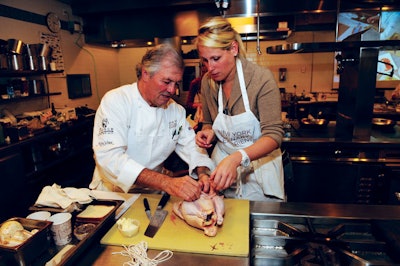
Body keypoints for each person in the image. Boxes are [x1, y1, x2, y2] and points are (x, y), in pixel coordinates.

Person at [90, 44, 215, 202]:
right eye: (167, 81)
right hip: (113, 194)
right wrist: (167, 182)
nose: (172, 90)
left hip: (152, 194)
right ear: (146, 74)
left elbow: (192, 146)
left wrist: (203, 172)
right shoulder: (117, 101)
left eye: (176, 83)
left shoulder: (175, 111)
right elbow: (110, 159)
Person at [195, 17, 285, 201]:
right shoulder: (208, 83)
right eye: (205, 61)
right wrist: (208, 132)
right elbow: (208, 122)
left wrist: (238, 157)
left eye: (215, 58)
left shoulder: (261, 79)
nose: (210, 68)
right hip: (222, 169)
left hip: (258, 169)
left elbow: (274, 135)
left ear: (233, 49)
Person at [186, 61, 207, 131]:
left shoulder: (216, 83)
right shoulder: (195, 83)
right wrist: (201, 105)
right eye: (203, 66)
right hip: (198, 119)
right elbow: (188, 104)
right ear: (201, 69)